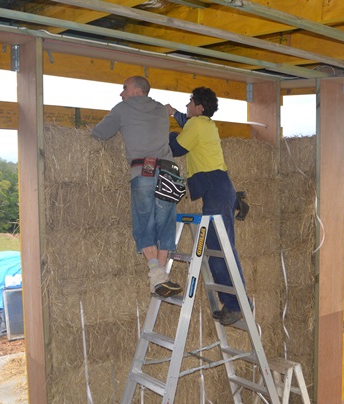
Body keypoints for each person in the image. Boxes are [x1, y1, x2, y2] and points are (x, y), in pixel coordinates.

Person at [92, 75, 181, 298]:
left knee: (144, 225)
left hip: (143, 172)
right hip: (169, 173)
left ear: (138, 90)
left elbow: (100, 133)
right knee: (165, 225)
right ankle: (161, 280)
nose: (121, 93)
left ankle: (157, 276)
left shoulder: (123, 108)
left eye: (124, 88)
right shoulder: (161, 109)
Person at [165, 87, 248, 325]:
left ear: (199, 107)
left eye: (190, 102)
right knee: (220, 249)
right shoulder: (204, 124)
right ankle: (237, 303)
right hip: (217, 188)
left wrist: (162, 133)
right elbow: (187, 123)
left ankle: (235, 305)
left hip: (215, 188)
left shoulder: (197, 125)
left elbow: (177, 147)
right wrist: (174, 115)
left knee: (220, 250)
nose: (187, 105)